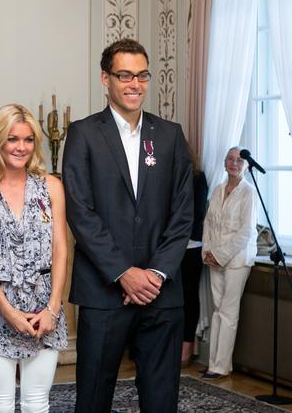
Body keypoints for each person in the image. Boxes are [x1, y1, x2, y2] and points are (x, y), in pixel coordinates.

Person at [62, 38, 194, 412]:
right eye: (125, 75)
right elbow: (80, 212)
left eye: (142, 75)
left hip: (161, 292)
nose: (135, 84)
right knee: (93, 397)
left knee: (161, 398)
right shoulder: (83, 134)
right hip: (103, 292)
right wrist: (123, 272)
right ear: (106, 79)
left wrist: (154, 273)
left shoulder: (170, 136)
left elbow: (183, 213)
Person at [0, 104, 68, 413]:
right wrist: (8, 311)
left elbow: (61, 248)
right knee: (0, 406)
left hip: (44, 312)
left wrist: (52, 308)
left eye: (27, 140)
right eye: (12, 139)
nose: (21, 147)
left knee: (37, 404)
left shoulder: (50, 186)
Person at [200, 146, 258, 379]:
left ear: (245, 165)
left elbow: (245, 233)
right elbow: (208, 224)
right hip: (214, 258)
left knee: (228, 312)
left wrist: (220, 254)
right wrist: (207, 252)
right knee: (217, 311)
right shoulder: (217, 190)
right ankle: (213, 362)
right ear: (225, 163)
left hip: (236, 260)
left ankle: (221, 366)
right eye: (230, 159)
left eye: (239, 160)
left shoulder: (249, 192)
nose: (234, 163)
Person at [181, 142, 209, 366]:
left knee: (189, 297)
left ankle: (187, 346)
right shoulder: (167, 176)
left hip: (191, 246)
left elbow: (198, 211)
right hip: (168, 247)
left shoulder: (198, 177)